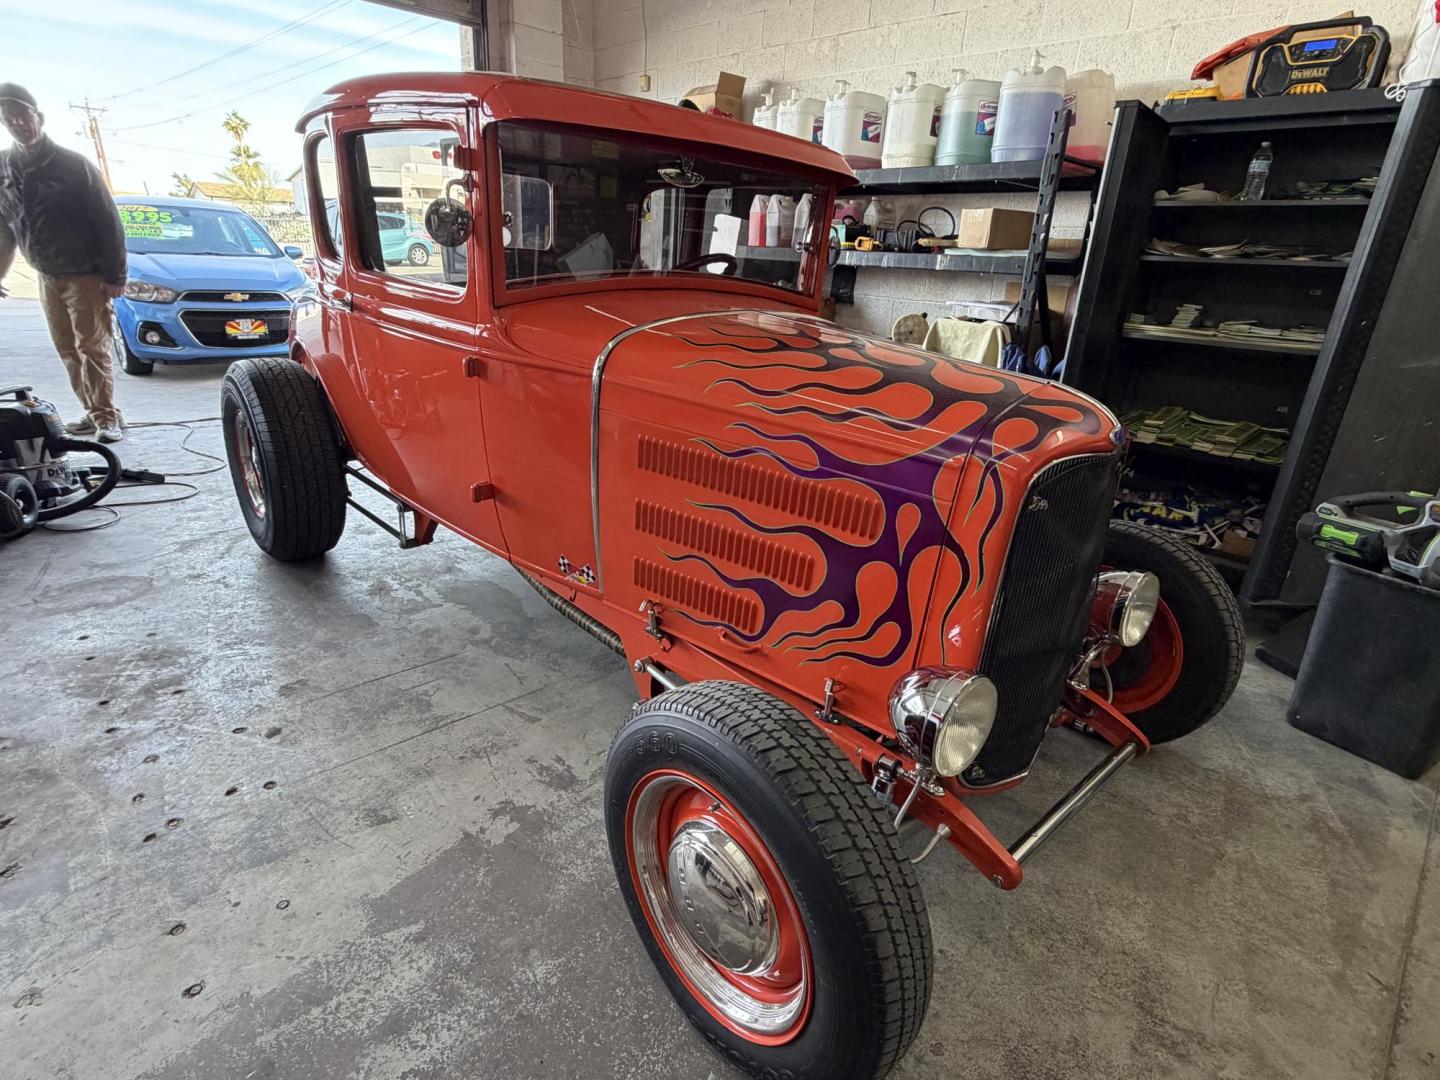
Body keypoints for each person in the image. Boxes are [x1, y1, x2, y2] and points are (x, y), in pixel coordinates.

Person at [0, 83, 127, 443]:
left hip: (86, 274)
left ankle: (107, 417)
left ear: (38, 117)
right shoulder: (4, 168)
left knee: (92, 347)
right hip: (46, 275)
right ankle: (93, 410)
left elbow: (108, 222)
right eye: (9, 119)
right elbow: (6, 227)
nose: (18, 124)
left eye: (23, 116)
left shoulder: (73, 166)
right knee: (67, 349)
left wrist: (116, 274)